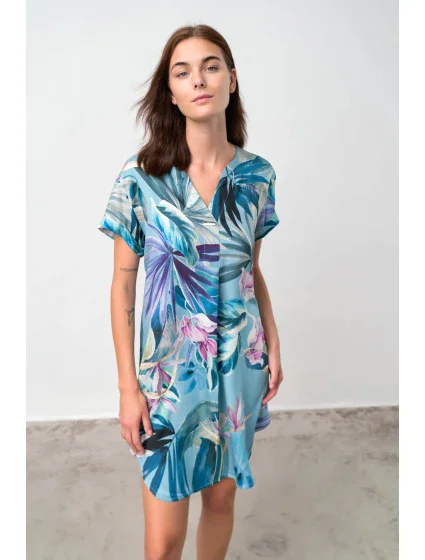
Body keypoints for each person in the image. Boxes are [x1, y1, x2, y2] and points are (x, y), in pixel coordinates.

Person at [98, 23, 283, 560]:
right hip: (166, 381)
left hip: (239, 366)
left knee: (221, 500)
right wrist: (127, 388)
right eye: (183, 72)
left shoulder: (257, 176)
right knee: (163, 542)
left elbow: (250, 269)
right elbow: (123, 283)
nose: (199, 80)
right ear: (172, 92)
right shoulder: (141, 178)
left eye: (210, 66)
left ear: (231, 79)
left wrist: (273, 341)